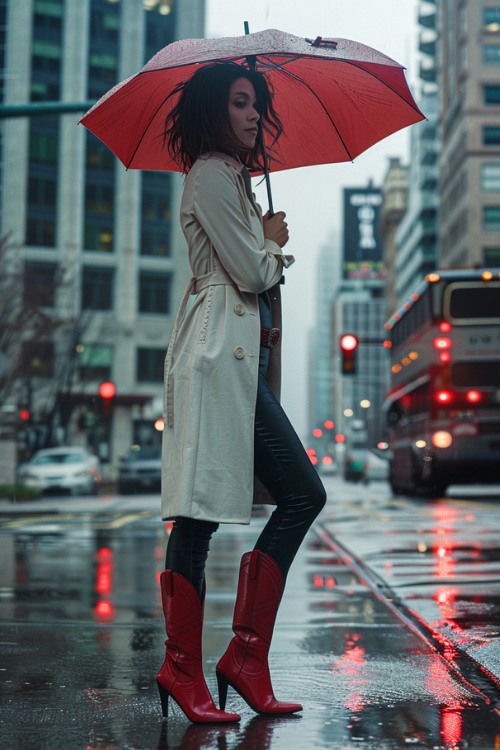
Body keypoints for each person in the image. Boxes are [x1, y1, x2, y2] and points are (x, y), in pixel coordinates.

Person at [157, 62, 327, 724]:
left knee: (291, 496)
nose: (254, 114)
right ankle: (188, 667)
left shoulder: (234, 179)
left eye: (257, 103)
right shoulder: (208, 173)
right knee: (205, 510)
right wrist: (274, 242)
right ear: (212, 109)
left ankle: (243, 660)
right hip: (213, 359)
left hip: (238, 364)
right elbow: (253, 270)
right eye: (239, 102)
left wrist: (262, 228)